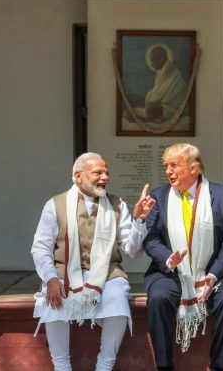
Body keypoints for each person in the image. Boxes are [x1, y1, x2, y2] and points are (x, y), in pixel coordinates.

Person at [31, 152, 156, 371]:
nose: (105, 177)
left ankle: (104, 365)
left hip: (108, 273)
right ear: (78, 176)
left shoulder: (117, 205)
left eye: (107, 172)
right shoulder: (55, 205)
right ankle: (61, 366)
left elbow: (133, 250)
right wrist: (50, 278)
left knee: (118, 298)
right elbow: (40, 248)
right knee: (53, 299)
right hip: (64, 272)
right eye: (97, 172)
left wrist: (139, 220)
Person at [144, 143, 223, 371]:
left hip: (216, 270)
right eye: (166, 165)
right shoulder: (158, 196)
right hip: (170, 271)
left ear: (194, 168)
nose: (168, 171)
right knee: (159, 297)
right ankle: (164, 366)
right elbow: (151, 238)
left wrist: (214, 274)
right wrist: (168, 259)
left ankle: (220, 365)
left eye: (174, 165)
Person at [126, 44, 187, 123]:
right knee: (133, 102)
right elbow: (157, 92)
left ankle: (148, 118)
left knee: (149, 108)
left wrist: (152, 103)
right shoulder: (161, 73)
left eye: (153, 60)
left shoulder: (174, 75)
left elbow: (167, 98)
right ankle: (147, 115)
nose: (151, 64)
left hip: (171, 108)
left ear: (161, 59)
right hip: (159, 106)